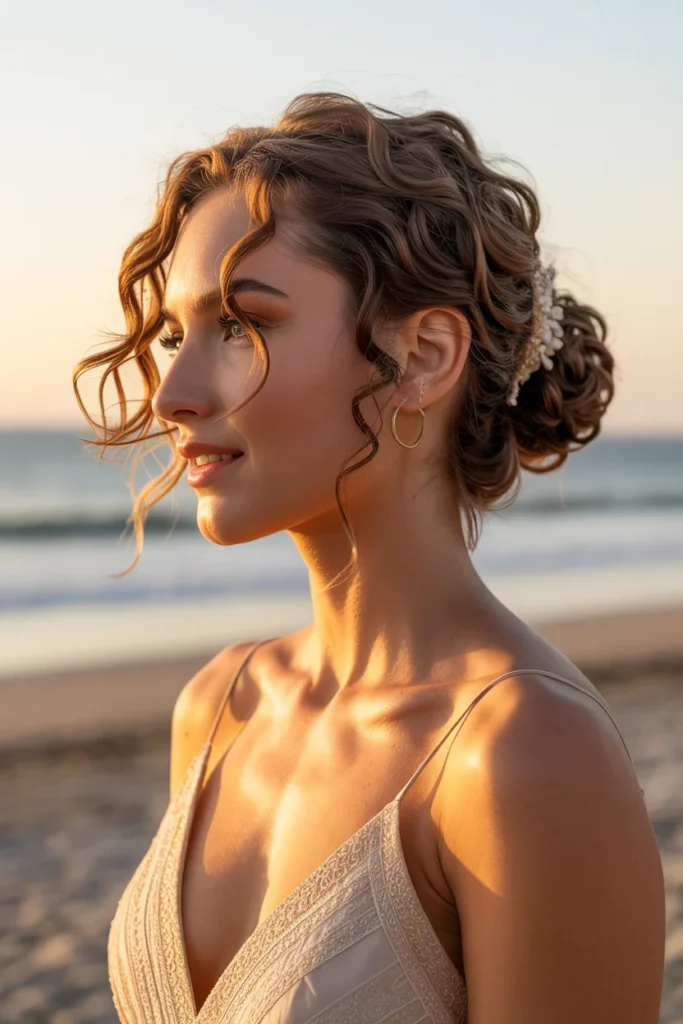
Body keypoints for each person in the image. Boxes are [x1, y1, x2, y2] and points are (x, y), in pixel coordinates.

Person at [75, 92, 665, 1023]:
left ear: (424, 356)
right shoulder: (221, 705)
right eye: (174, 335)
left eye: (243, 325)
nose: (173, 395)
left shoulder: (523, 755)